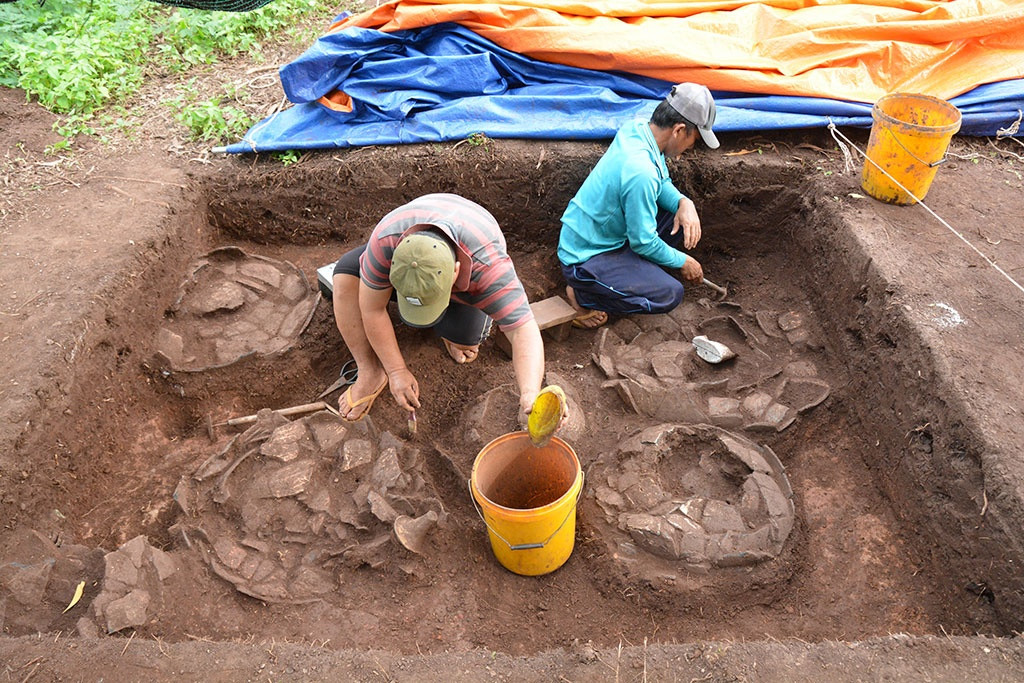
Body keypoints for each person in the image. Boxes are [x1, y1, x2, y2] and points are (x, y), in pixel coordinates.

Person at [331, 193, 546, 424]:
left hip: (471, 247)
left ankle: (454, 329)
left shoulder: (489, 271)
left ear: (455, 272)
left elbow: (523, 329)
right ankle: (369, 371)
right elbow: (372, 309)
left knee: (466, 338)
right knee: (344, 278)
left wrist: (530, 392)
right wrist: (396, 371)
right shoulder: (385, 243)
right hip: (414, 229)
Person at [557, 82, 720, 328]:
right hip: (586, 256)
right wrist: (683, 261)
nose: (690, 148)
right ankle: (583, 296)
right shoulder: (641, 173)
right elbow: (643, 241)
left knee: (680, 215)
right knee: (670, 294)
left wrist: (684, 203)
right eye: (693, 140)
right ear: (679, 130)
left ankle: (635, 270)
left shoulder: (638, 129)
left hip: (606, 233)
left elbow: (661, 181)